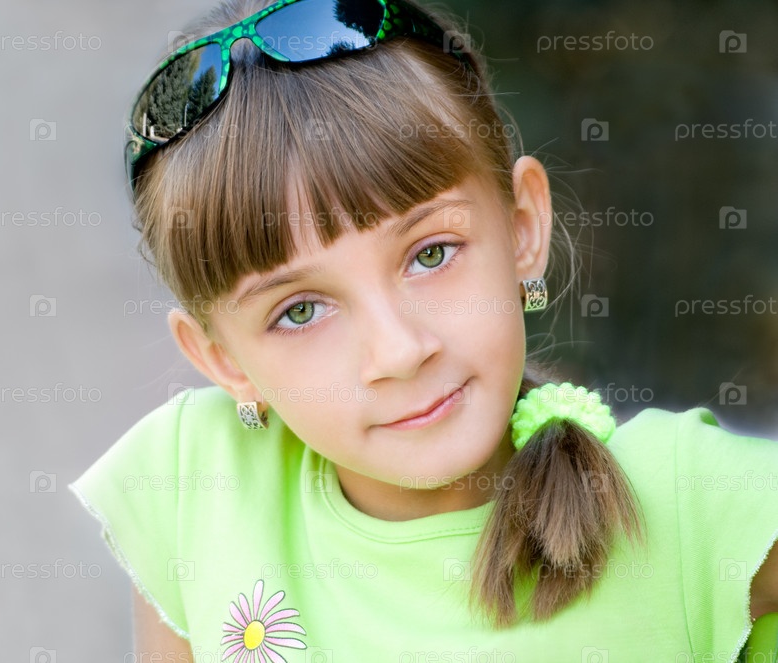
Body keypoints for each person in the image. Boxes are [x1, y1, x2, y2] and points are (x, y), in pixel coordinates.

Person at [68, 0, 778, 661]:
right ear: (223, 360)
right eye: (300, 310)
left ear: (522, 228)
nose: (399, 351)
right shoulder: (195, 484)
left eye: (431, 254)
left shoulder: (692, 503)